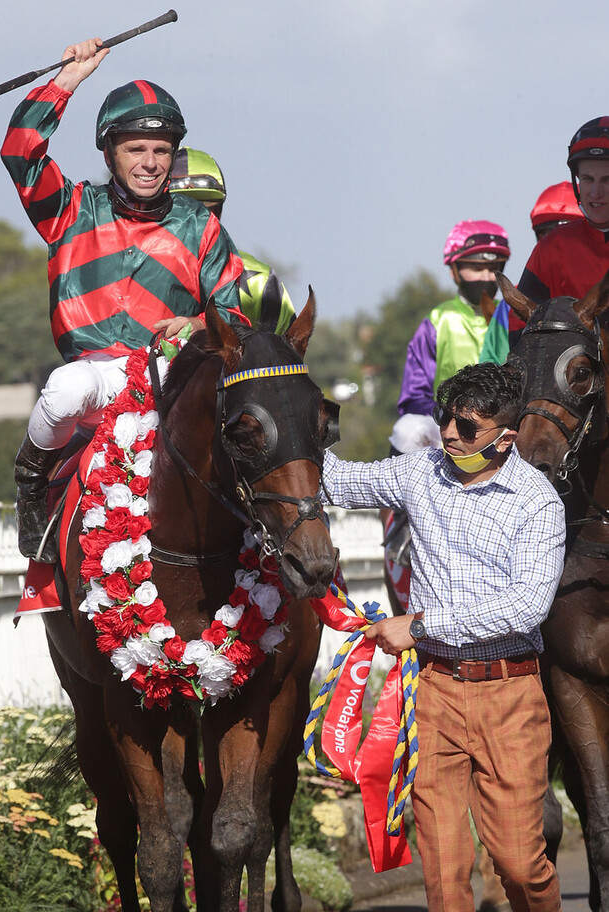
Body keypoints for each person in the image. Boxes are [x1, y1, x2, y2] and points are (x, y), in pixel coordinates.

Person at [323, 361, 565, 912]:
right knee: (444, 874)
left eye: (466, 426)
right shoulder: (420, 471)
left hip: (510, 698)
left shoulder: (537, 503)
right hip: (431, 694)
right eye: (445, 418)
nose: (449, 433)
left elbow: (525, 609)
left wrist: (421, 626)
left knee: (519, 865)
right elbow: (336, 480)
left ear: (505, 439)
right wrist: (281, 405)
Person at [1, 38, 246, 562]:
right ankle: (30, 487)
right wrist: (69, 80)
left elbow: (235, 314)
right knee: (66, 387)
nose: (151, 163)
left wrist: (198, 323)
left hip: (171, 380)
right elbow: (20, 151)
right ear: (110, 152)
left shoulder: (200, 226)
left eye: (161, 151)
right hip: (97, 379)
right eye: (136, 149)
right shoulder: (68, 209)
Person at [168, 147, 296, 333]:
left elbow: (289, 354)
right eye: (183, 214)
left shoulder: (260, 280)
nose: (197, 225)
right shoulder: (129, 269)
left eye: (206, 213)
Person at [397, 220, 510, 419]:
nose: (486, 277)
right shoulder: (438, 320)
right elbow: (413, 397)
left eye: (493, 269)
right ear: (454, 270)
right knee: (407, 431)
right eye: (476, 269)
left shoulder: (511, 314)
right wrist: (447, 415)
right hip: (445, 424)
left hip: (502, 424)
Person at [480, 180, 584, 364]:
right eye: (547, 235)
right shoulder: (509, 305)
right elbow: (491, 369)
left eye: (567, 233)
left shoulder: (601, 298)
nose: (557, 245)